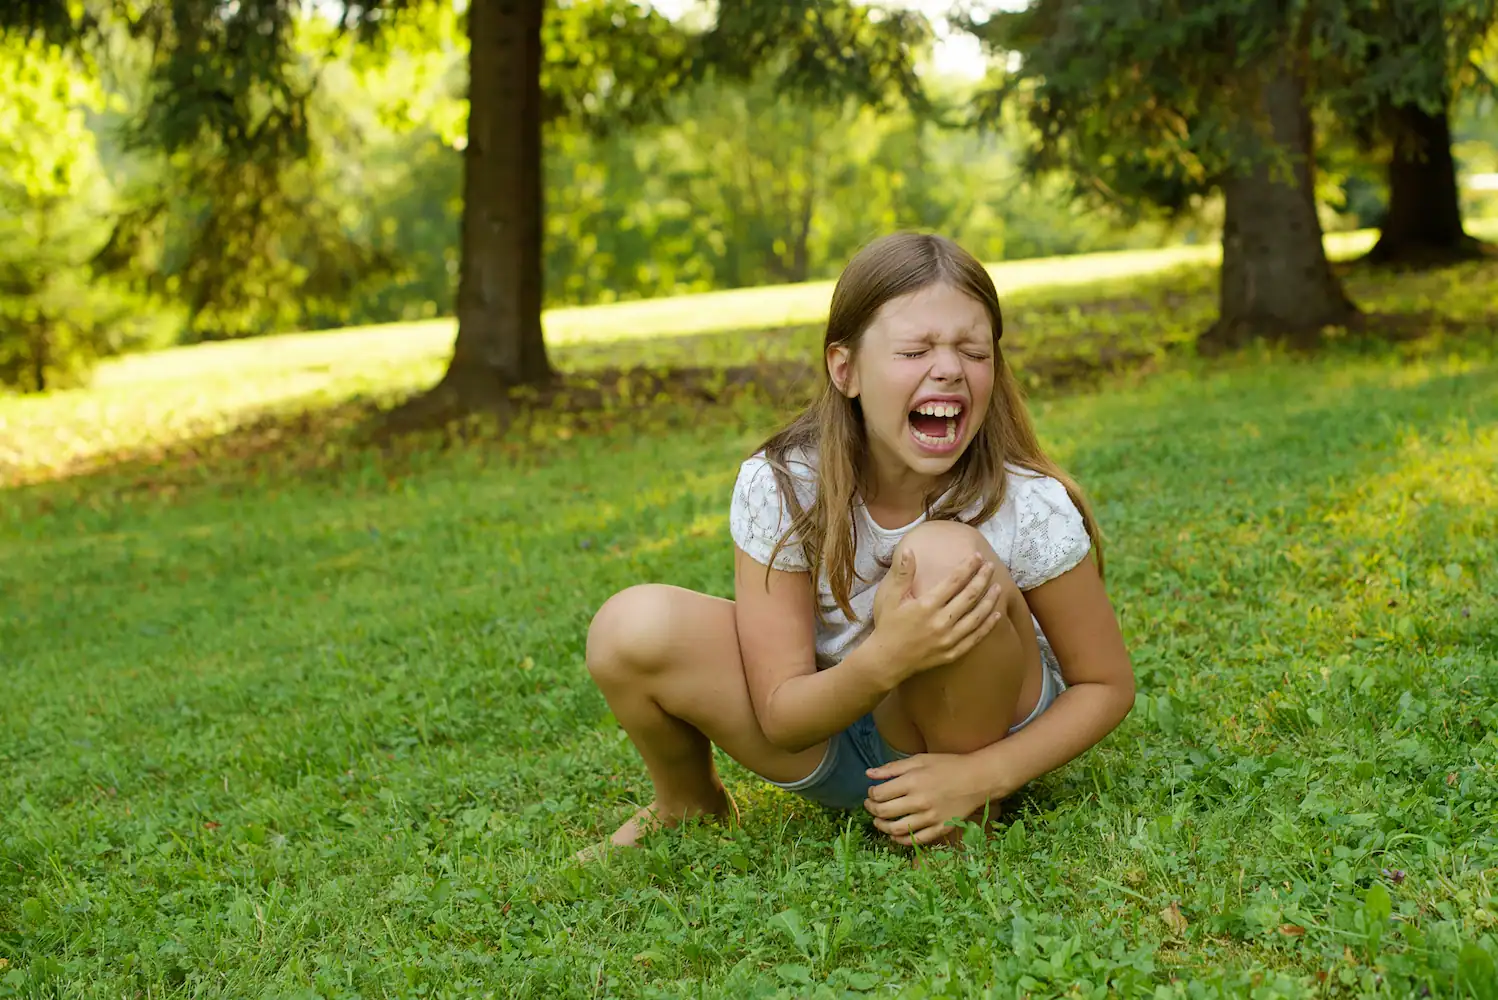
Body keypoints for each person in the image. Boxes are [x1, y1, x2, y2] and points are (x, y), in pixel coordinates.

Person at [581, 232, 1135, 856]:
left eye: (974, 351)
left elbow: (1105, 685)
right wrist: (887, 656)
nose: (950, 368)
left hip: (981, 736)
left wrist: (985, 774)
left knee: (942, 557)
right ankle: (689, 804)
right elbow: (782, 716)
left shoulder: (1024, 502)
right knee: (630, 626)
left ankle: (955, 818)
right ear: (845, 370)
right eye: (915, 350)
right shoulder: (786, 485)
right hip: (835, 729)